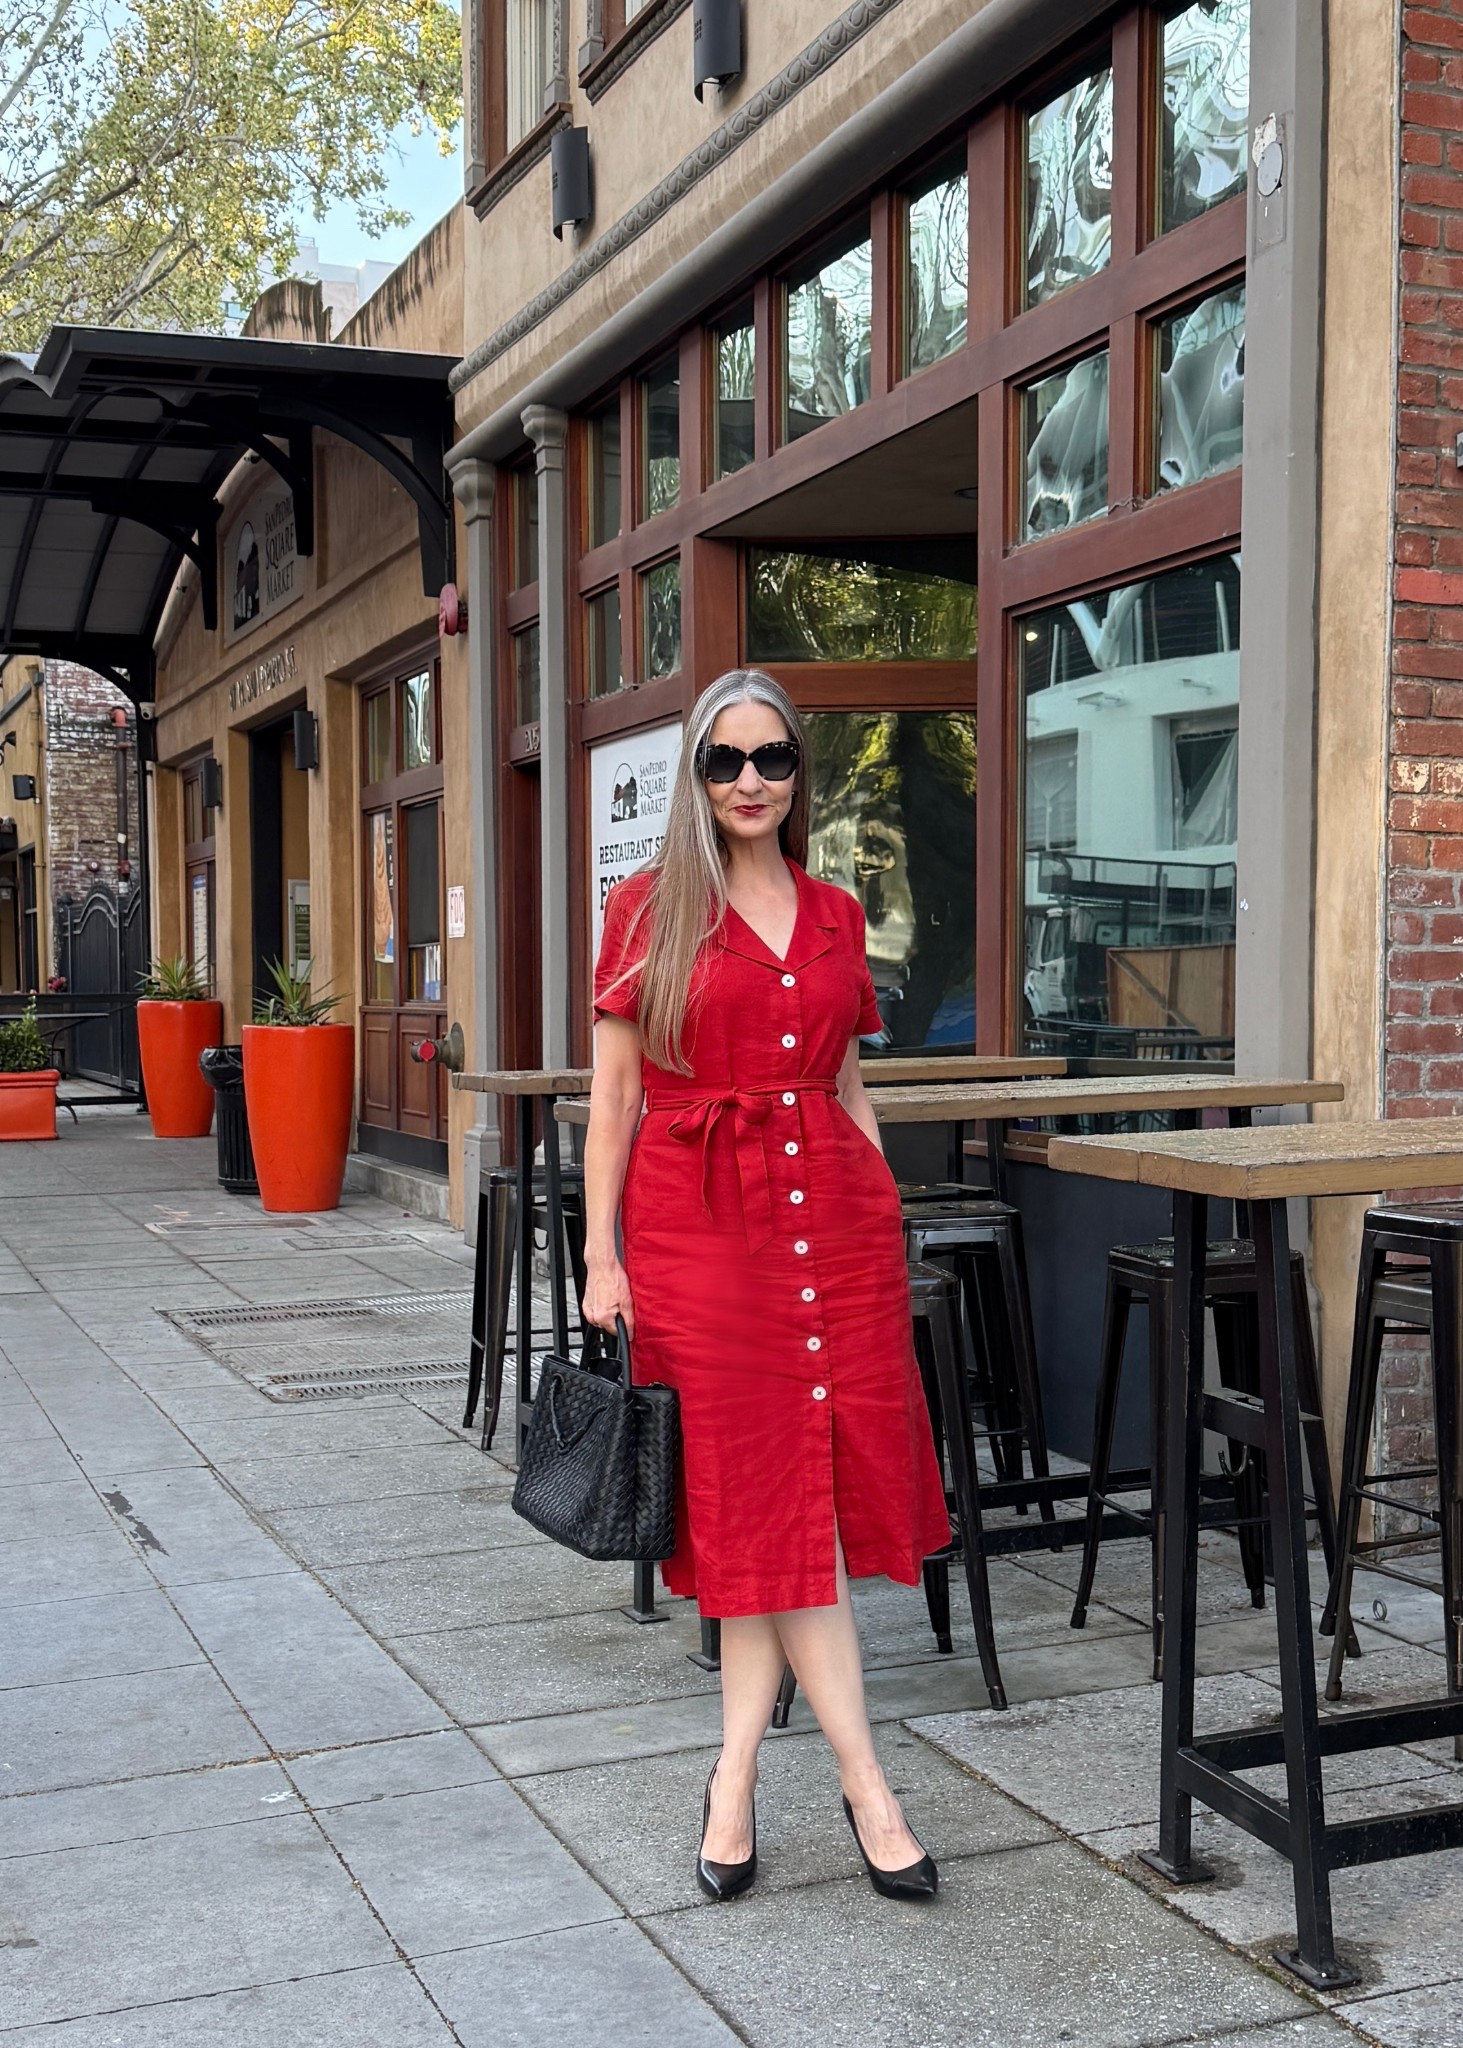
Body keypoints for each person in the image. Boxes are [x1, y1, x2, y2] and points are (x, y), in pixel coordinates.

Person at [582, 668, 951, 1903]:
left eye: (772, 759)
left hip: (835, 1232)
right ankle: (866, 1783)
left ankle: (733, 1775)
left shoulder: (841, 911)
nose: (749, 781)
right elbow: (616, 1099)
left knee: (781, 1519)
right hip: (702, 1237)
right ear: (696, 778)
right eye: (724, 761)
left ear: (801, 773)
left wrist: (884, 1208)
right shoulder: (646, 911)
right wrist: (599, 1254)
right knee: (764, 1506)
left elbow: (850, 1084)